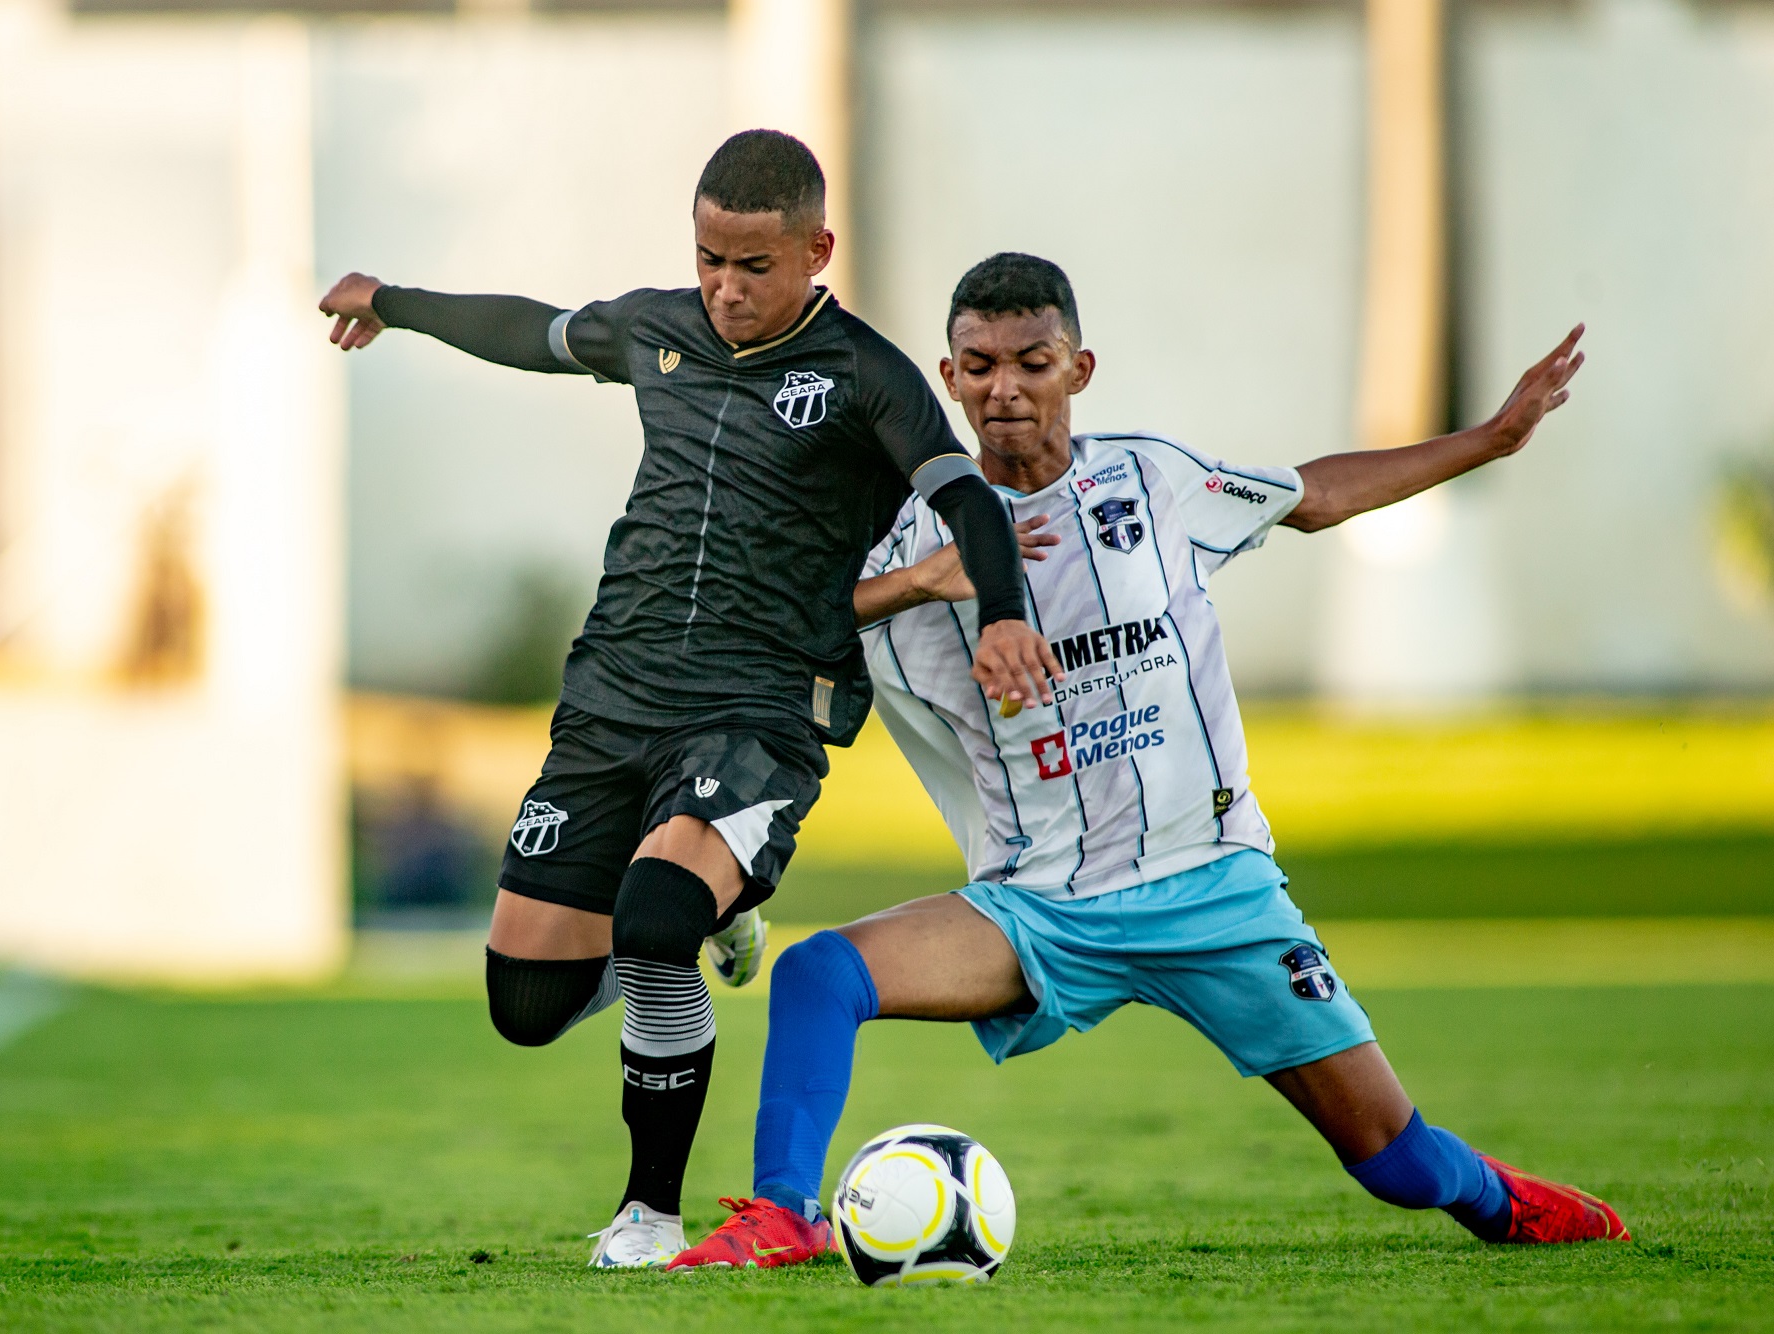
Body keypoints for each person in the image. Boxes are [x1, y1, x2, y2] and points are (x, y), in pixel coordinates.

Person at [667, 252, 1626, 1270]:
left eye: (1030, 361)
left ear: (1076, 368)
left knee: (1396, 1163)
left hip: (1209, 881)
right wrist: (914, 584)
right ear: (946, 380)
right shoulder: (904, 543)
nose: (1004, 388)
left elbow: (1313, 496)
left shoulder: (1150, 480)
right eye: (978, 364)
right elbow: (751, 625)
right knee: (820, 972)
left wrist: (1488, 438)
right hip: (1038, 902)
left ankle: (1494, 1196)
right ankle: (783, 1215)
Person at [318, 135, 1063, 1268]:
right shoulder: (658, 326)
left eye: (754, 265)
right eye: (710, 257)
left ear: (816, 250)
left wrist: (1004, 610)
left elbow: (964, 496)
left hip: (755, 709)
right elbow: (535, 331)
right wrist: (397, 302)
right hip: (610, 694)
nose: (725, 286)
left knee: (656, 921)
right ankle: (713, 906)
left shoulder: (866, 374)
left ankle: (647, 1211)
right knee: (523, 1000)